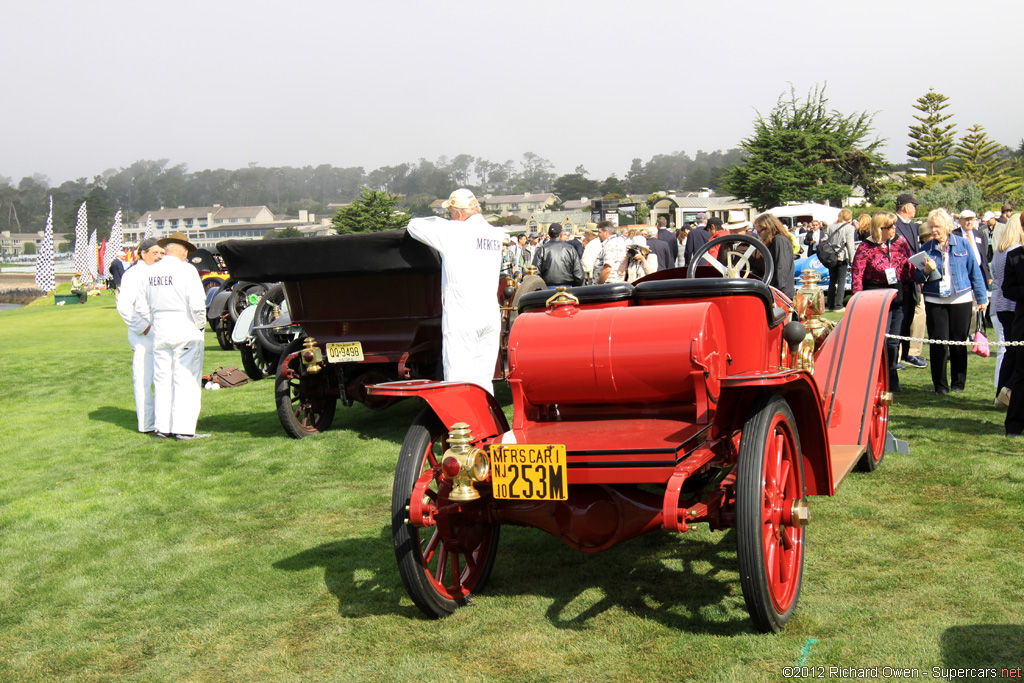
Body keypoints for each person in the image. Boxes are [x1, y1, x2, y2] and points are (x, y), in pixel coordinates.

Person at [407, 188, 504, 395]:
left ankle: (462, 426)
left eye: (451, 212)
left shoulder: (454, 231)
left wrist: (448, 224)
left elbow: (413, 226)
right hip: (489, 311)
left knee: (458, 376)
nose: (450, 216)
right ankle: (487, 424)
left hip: (463, 313)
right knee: (484, 377)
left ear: (458, 212)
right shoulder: (495, 234)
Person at [136, 231, 209, 440]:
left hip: (160, 327)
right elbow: (197, 304)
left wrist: (153, 321)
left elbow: (141, 306)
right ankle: (184, 429)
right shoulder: (187, 270)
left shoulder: (150, 271)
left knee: (162, 379)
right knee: (186, 378)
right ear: (183, 251)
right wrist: (200, 326)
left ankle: (163, 427)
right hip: (184, 326)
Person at [916, 209, 988, 395]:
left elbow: (975, 273)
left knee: (958, 343)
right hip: (935, 300)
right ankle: (940, 385)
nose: (934, 230)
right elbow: (916, 277)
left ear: (947, 227)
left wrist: (981, 298)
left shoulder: (963, 245)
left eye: (937, 226)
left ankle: (958, 382)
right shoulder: (926, 249)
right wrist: (924, 270)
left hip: (961, 299)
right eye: (931, 227)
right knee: (938, 344)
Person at [851, 212, 915, 392]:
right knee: (879, 340)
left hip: (898, 295)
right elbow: (857, 275)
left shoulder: (900, 242)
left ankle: (892, 381)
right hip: (876, 298)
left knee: (894, 341)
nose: (894, 229)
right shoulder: (865, 248)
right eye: (890, 226)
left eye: (894, 225)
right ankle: (875, 381)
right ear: (880, 229)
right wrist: (857, 301)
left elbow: (909, 267)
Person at [115, 238, 164, 435]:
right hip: (144, 335)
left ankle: (164, 423)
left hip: (162, 333)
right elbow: (125, 307)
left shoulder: (160, 272)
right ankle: (147, 425)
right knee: (144, 380)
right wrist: (144, 328)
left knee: (163, 379)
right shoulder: (133, 274)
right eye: (155, 253)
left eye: (162, 253)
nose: (160, 257)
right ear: (143, 253)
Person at [893, 194, 928, 370]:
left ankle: (912, 353)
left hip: (914, 278)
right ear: (905, 207)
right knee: (902, 317)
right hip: (901, 279)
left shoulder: (914, 226)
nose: (916, 208)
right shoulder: (894, 225)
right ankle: (897, 356)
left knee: (917, 315)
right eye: (914, 205)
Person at [991, 214, 1021, 407]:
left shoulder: (999, 252)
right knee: (1016, 352)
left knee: (1010, 352)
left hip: (1001, 304)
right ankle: (1007, 390)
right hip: (1013, 305)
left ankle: (1001, 393)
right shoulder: (1016, 252)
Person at [1001, 219, 1024, 436]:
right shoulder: (1014, 256)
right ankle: (1015, 425)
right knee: (1022, 373)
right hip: (1023, 323)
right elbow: (1007, 288)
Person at [753, 213, 796, 299]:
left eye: (759, 231)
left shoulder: (780, 240)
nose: (758, 234)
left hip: (782, 293)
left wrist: (778, 292)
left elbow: (782, 268)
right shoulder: (777, 241)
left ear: (768, 229)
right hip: (779, 291)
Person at [823, 209, 857, 312]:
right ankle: (838, 305)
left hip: (830, 256)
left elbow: (824, 240)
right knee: (841, 281)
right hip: (842, 256)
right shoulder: (849, 228)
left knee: (832, 280)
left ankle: (830, 304)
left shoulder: (830, 227)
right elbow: (850, 245)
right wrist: (852, 259)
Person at [953, 210, 993, 287]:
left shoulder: (979, 234)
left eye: (972, 220)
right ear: (960, 221)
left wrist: (988, 275)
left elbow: (983, 256)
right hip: (963, 273)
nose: (970, 222)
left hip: (979, 271)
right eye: (967, 220)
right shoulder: (954, 235)